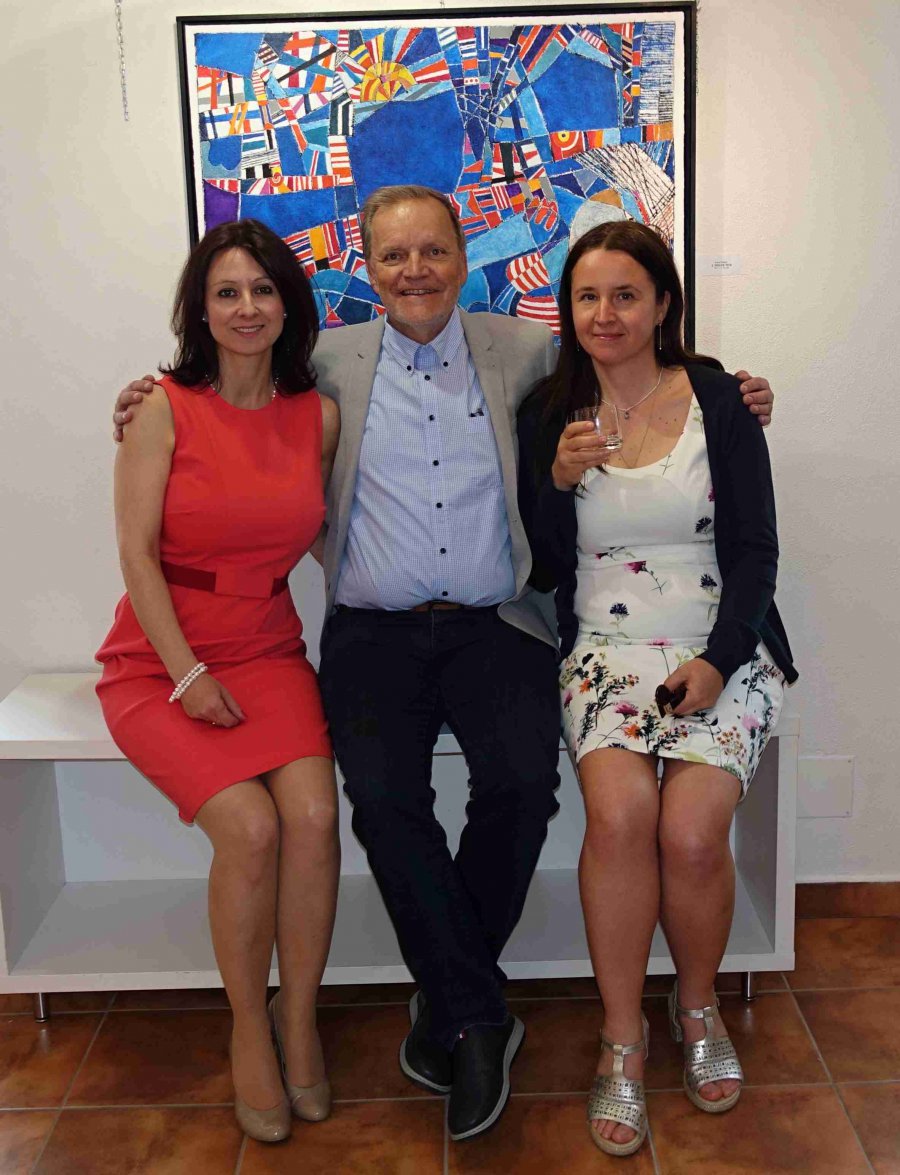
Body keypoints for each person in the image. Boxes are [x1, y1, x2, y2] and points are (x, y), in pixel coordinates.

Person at [111, 186, 776, 1142]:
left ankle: (451, 1004)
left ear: (466, 259)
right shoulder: (324, 365)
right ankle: (476, 1012)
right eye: (393, 255)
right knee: (384, 801)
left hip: (495, 623)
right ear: (368, 269)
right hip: (372, 630)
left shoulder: (528, 351)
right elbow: (230, 406)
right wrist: (142, 399)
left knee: (522, 786)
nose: (414, 270)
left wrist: (734, 388)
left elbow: (633, 361)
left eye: (433, 251)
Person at [517, 220, 797, 1157]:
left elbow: (756, 550)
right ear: (569, 308)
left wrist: (719, 660)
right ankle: (622, 1038)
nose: (606, 314)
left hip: (722, 644)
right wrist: (555, 483)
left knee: (692, 832)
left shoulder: (720, 398)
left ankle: (698, 1004)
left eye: (626, 294)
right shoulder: (548, 410)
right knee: (621, 817)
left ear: (664, 303)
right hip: (606, 647)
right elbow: (541, 565)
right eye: (587, 296)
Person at [96, 219, 341, 1143]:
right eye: (227, 292)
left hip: (269, 648)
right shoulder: (159, 407)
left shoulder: (317, 417)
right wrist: (187, 671)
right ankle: (247, 1026)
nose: (247, 308)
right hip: (158, 658)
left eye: (263, 290)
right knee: (249, 826)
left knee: (313, 816)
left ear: (288, 305)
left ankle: (298, 1017)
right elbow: (136, 555)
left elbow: (323, 530)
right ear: (199, 309)